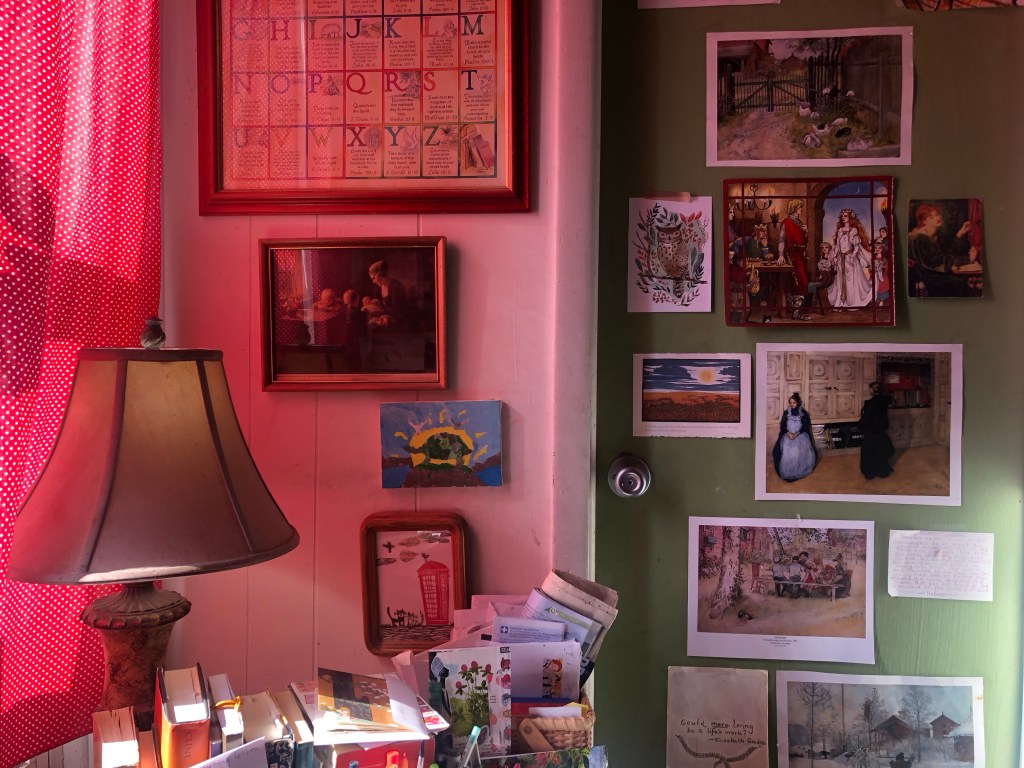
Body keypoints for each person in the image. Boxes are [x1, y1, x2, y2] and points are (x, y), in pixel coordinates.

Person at [907, 203, 972, 297]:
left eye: (936, 214)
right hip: (925, 280)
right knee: (959, 284)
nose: (936, 218)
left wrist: (959, 235)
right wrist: (969, 259)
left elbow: (943, 255)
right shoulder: (920, 238)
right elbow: (940, 263)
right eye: (931, 217)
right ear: (924, 221)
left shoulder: (931, 236)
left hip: (929, 276)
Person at [827, 208, 874, 310]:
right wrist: (835, 256)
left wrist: (852, 257)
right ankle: (841, 302)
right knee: (840, 280)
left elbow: (856, 246)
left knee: (851, 281)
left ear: (850, 217)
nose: (843, 217)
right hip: (840, 259)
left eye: (845, 216)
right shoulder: (840, 230)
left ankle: (851, 302)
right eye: (842, 216)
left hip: (850, 259)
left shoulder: (853, 230)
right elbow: (837, 245)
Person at [777, 199, 815, 320]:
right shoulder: (786, 222)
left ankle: (796, 311)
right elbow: (781, 240)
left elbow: (804, 241)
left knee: (800, 282)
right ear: (794, 208)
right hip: (792, 255)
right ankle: (796, 311)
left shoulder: (800, 223)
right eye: (799, 207)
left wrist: (806, 232)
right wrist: (780, 254)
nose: (801, 209)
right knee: (799, 282)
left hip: (801, 255)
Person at [772, 392, 818, 482]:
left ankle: (798, 471)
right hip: (788, 435)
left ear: (798, 403)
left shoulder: (803, 413)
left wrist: (796, 434)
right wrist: (788, 433)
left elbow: (805, 426)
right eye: (790, 402)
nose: (792, 404)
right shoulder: (786, 413)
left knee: (797, 449)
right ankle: (788, 471)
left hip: (800, 435)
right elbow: (782, 426)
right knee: (786, 448)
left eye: (794, 403)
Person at [859, 381, 895, 479]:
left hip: (871, 431)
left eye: (870, 389)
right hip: (881, 430)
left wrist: (860, 425)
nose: (869, 391)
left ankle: (870, 473)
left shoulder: (870, 403)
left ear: (873, 391)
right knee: (880, 451)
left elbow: (867, 418)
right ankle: (882, 471)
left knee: (869, 452)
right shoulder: (885, 400)